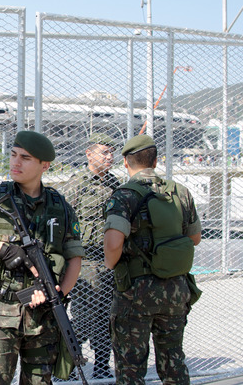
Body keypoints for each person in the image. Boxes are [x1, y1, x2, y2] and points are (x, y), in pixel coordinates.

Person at [0, 130, 84, 384]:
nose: (15, 162)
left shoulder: (61, 207)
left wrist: (56, 296)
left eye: (25, 158)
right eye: (13, 155)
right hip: (0, 316)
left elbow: (74, 258)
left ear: (44, 165)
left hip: (44, 320)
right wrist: (2, 250)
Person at [103, 135, 202, 384]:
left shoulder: (124, 195)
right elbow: (195, 237)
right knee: (173, 359)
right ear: (156, 161)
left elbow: (114, 243)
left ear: (126, 163)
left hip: (136, 292)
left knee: (130, 366)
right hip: (176, 291)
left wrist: (111, 264)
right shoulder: (180, 192)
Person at [64, 132, 121, 380]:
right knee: (83, 318)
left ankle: (101, 365)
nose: (109, 157)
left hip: (108, 263)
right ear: (89, 154)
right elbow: (63, 222)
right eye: (104, 152)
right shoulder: (76, 185)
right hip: (83, 262)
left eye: (111, 152)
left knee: (105, 318)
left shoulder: (115, 185)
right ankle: (67, 366)